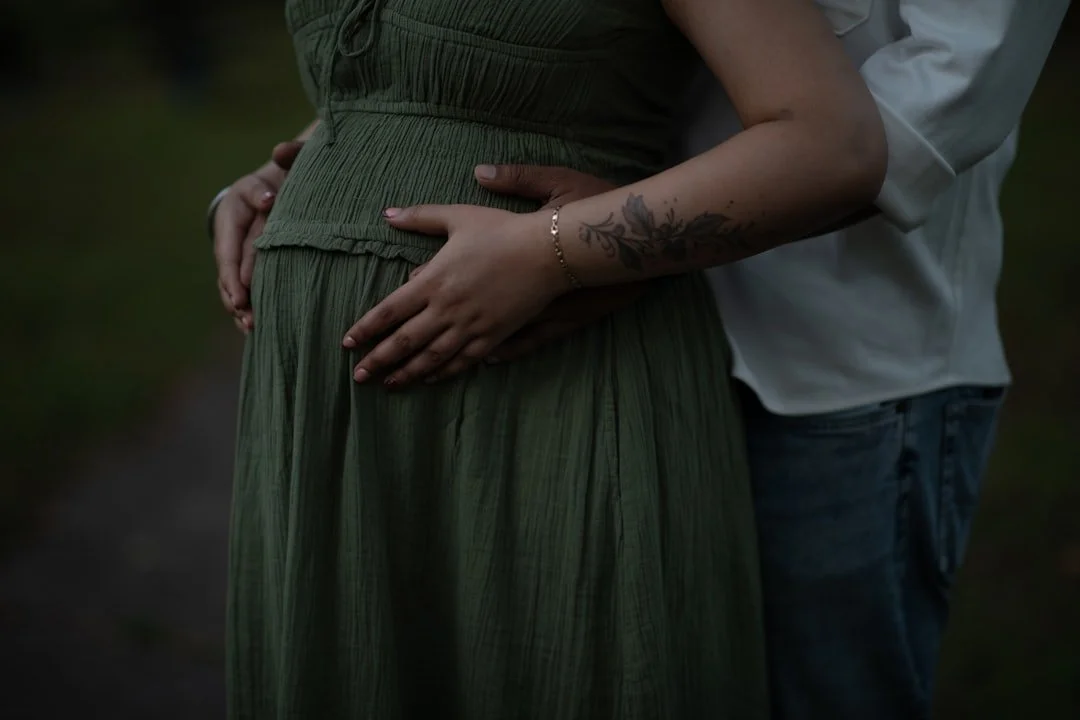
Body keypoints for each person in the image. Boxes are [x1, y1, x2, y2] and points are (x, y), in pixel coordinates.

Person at [232, 2, 1061, 719]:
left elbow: (934, 104)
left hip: (835, 365)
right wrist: (306, 171)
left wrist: (588, 248)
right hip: (613, 317)